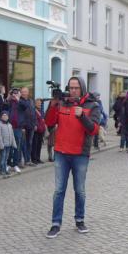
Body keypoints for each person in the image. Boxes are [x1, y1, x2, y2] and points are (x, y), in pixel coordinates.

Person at [43, 76, 102, 238]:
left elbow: (94, 130)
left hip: (80, 154)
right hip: (61, 153)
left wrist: (82, 116)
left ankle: (80, 220)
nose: (73, 91)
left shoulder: (92, 105)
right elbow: (49, 122)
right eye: (71, 88)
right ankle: (55, 224)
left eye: (76, 88)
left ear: (82, 88)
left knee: (80, 190)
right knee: (59, 190)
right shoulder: (62, 102)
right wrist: (53, 104)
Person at [0, 110, 17, 177]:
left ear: (8, 117)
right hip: (3, 145)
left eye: (6, 116)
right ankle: (2, 170)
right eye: (3, 116)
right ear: (1, 117)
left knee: (6, 158)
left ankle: (5, 169)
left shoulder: (9, 125)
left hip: (9, 144)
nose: (5, 117)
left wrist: (14, 144)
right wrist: (1, 145)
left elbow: (12, 135)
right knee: (3, 158)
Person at [31, 98, 46, 163]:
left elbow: (43, 119)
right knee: (35, 145)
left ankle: (38, 158)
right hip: (36, 130)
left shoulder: (41, 111)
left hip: (41, 130)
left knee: (39, 145)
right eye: (38, 103)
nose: (39, 104)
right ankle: (34, 159)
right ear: (35, 104)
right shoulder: (34, 110)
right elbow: (33, 119)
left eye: (40, 103)